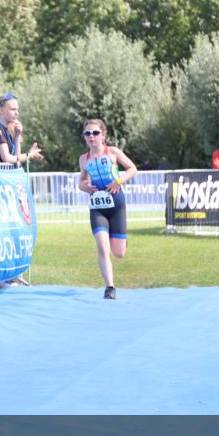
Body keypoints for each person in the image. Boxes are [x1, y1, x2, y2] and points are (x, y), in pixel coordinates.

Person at [77, 119, 137, 300]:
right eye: (87, 133)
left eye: (95, 133)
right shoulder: (83, 159)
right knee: (103, 247)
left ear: (103, 135)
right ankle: (110, 287)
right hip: (97, 208)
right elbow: (82, 181)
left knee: (118, 253)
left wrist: (119, 180)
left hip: (116, 205)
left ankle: (121, 239)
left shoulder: (112, 152)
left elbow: (133, 168)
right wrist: (84, 186)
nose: (91, 137)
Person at [0, 93, 43, 165]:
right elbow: (7, 158)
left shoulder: (4, 127)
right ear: (1, 110)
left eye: (17, 110)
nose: (17, 113)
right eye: (13, 109)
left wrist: (17, 134)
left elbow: (16, 158)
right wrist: (29, 155)